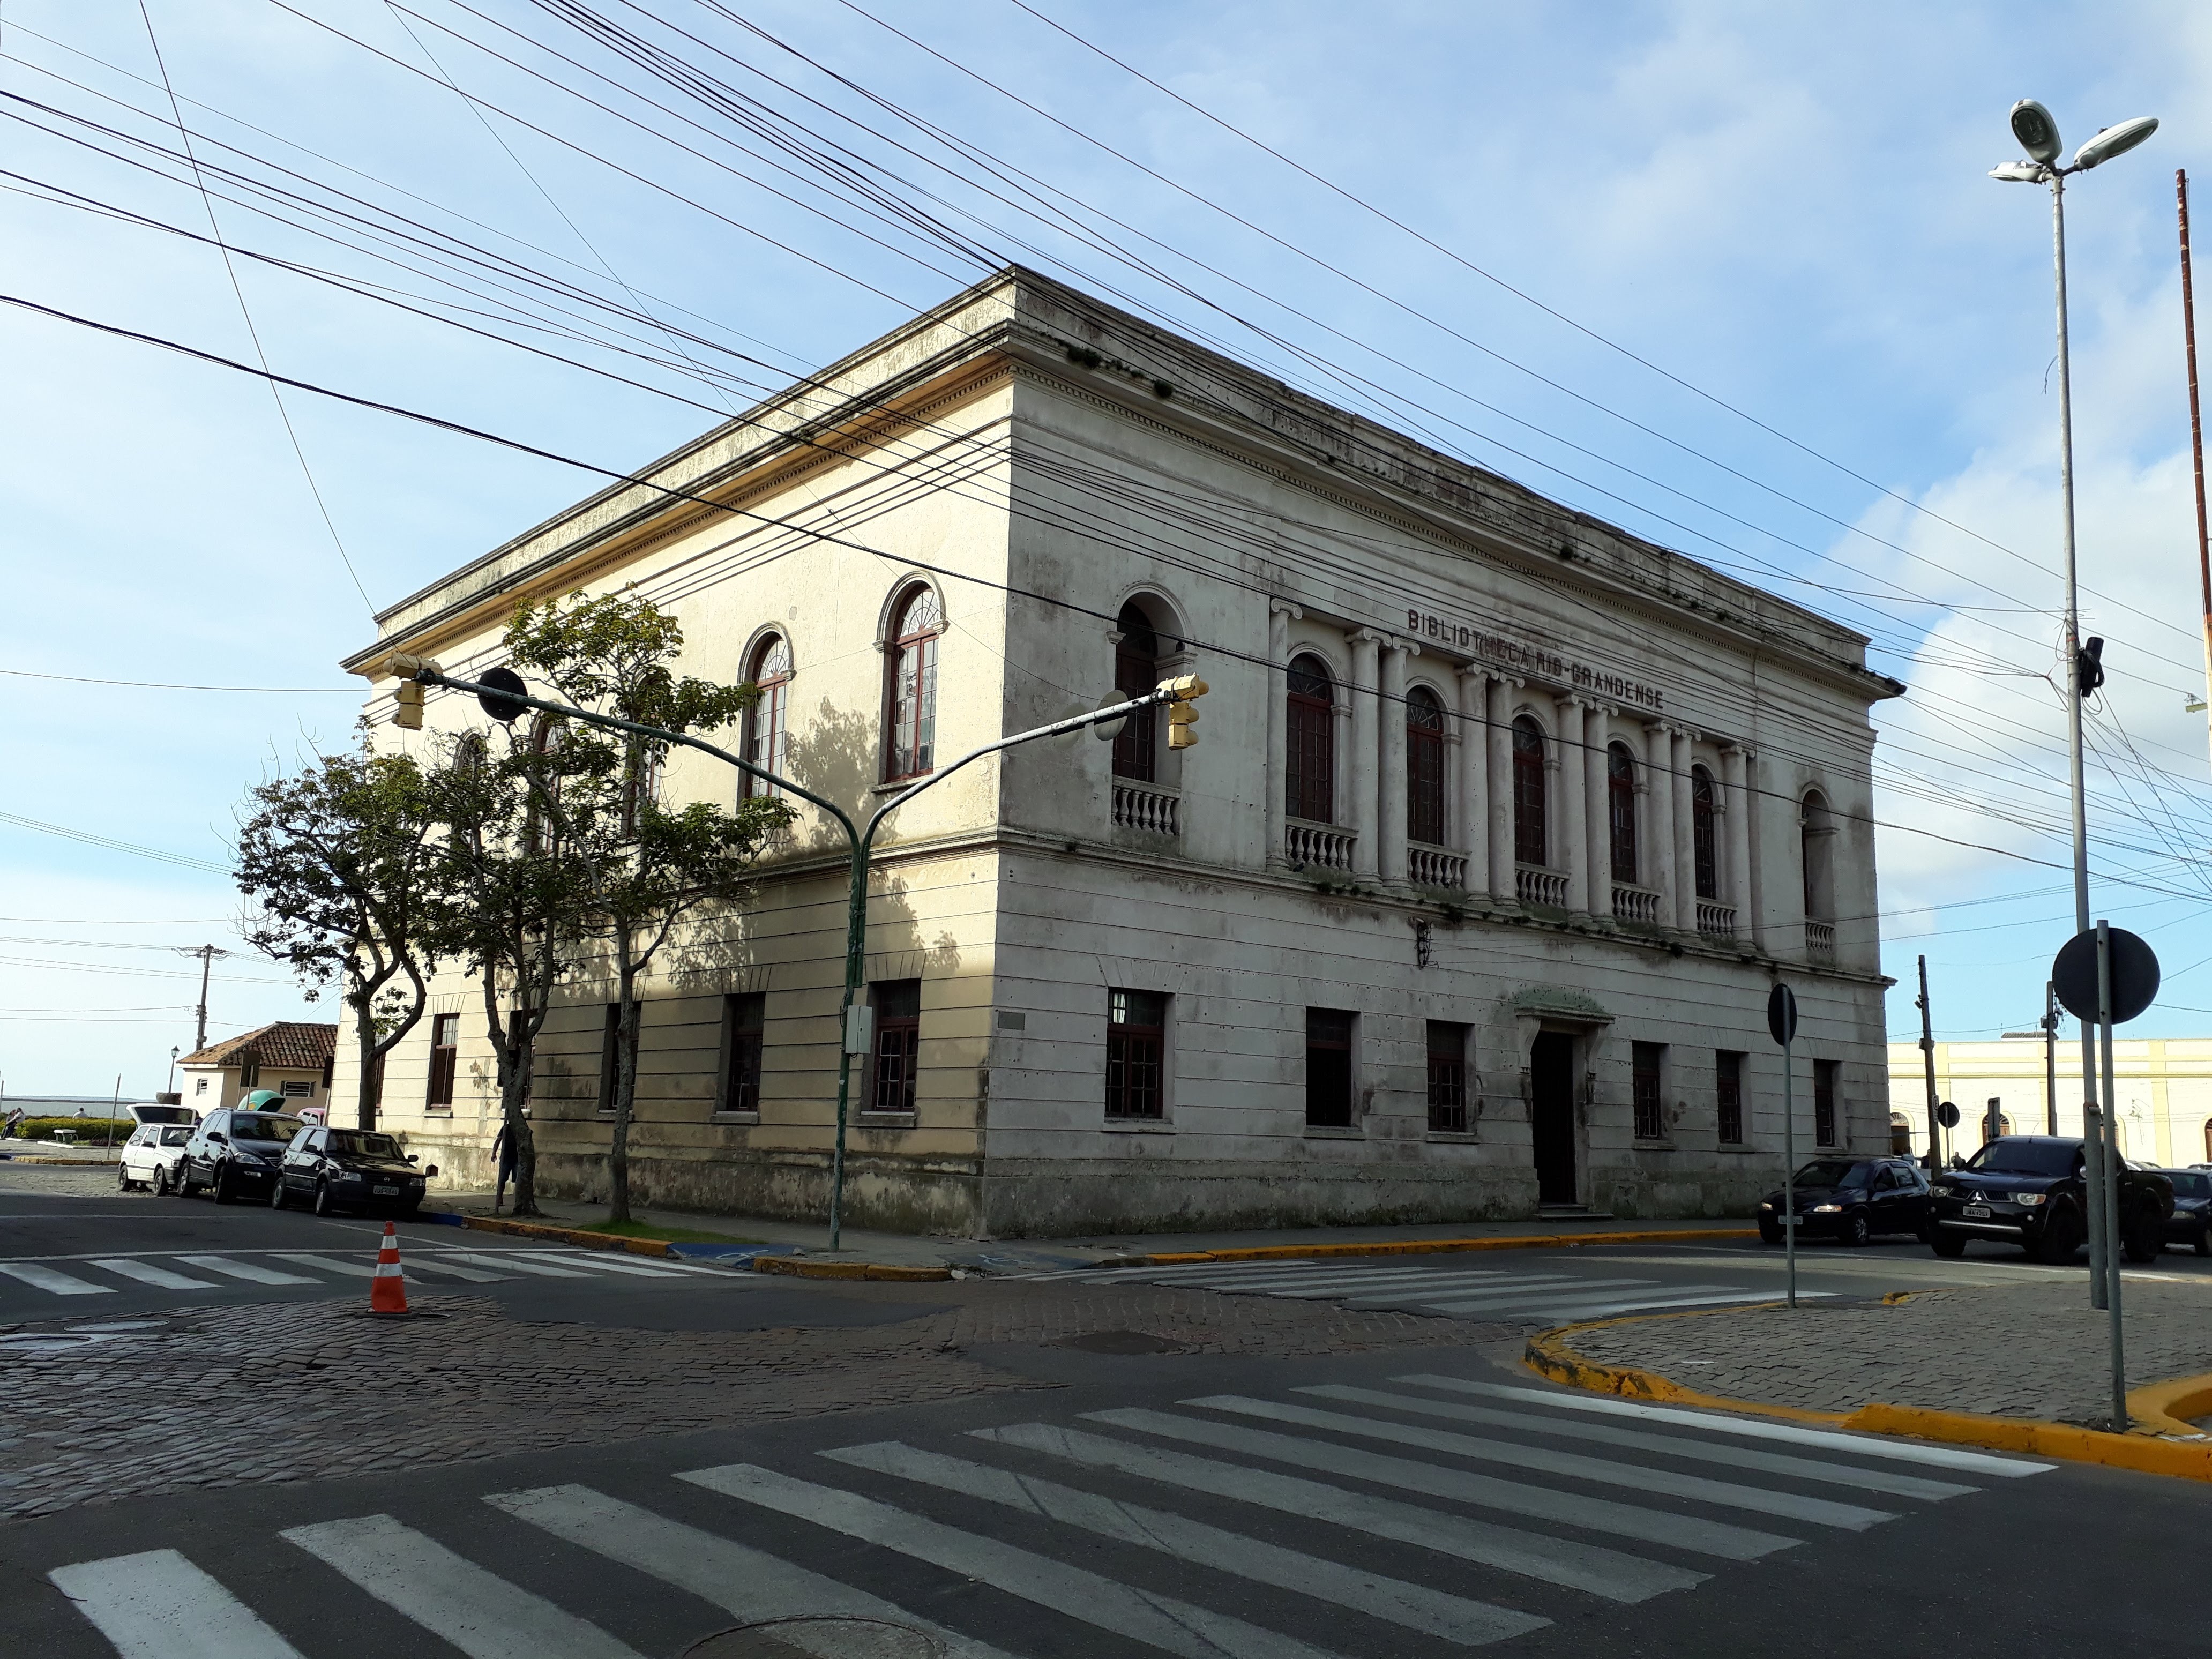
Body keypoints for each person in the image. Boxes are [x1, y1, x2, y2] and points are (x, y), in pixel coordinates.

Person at [492, 1119, 518, 1214]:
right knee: (502, 1179)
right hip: (506, 1158)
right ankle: (499, 1199)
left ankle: (518, 1201)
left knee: (518, 1180)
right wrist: (494, 1153)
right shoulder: (505, 1128)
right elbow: (498, 1141)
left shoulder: (520, 1129)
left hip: (517, 1158)